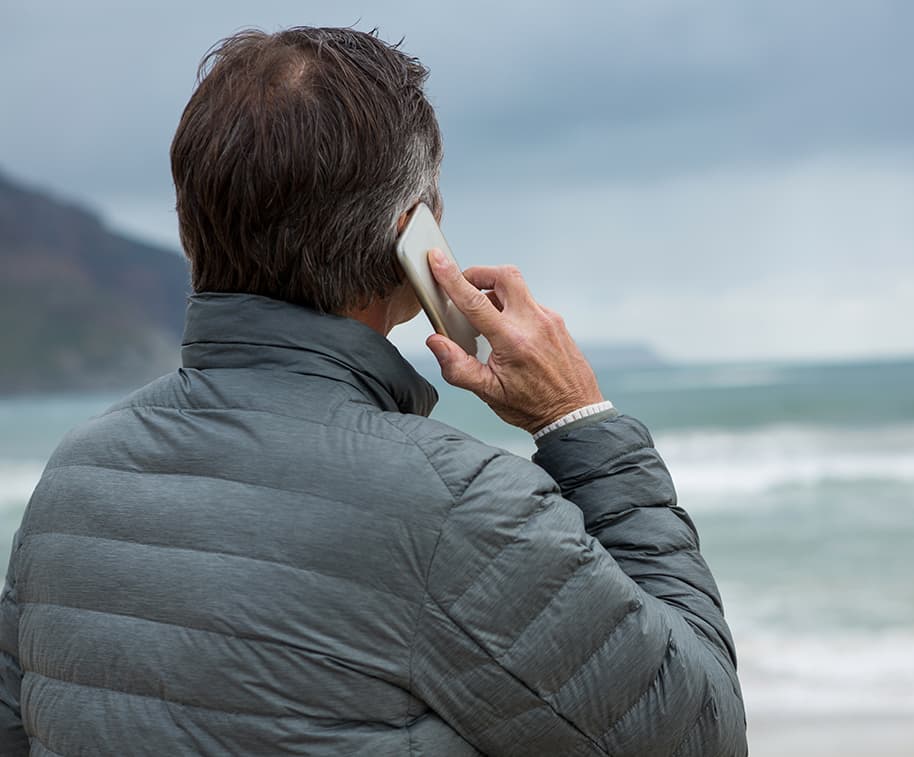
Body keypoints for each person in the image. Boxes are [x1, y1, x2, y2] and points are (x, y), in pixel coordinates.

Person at [0, 26, 747, 756]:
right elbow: (700, 729)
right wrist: (576, 419)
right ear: (410, 242)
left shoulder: (74, 474)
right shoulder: (457, 503)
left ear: (193, 229)